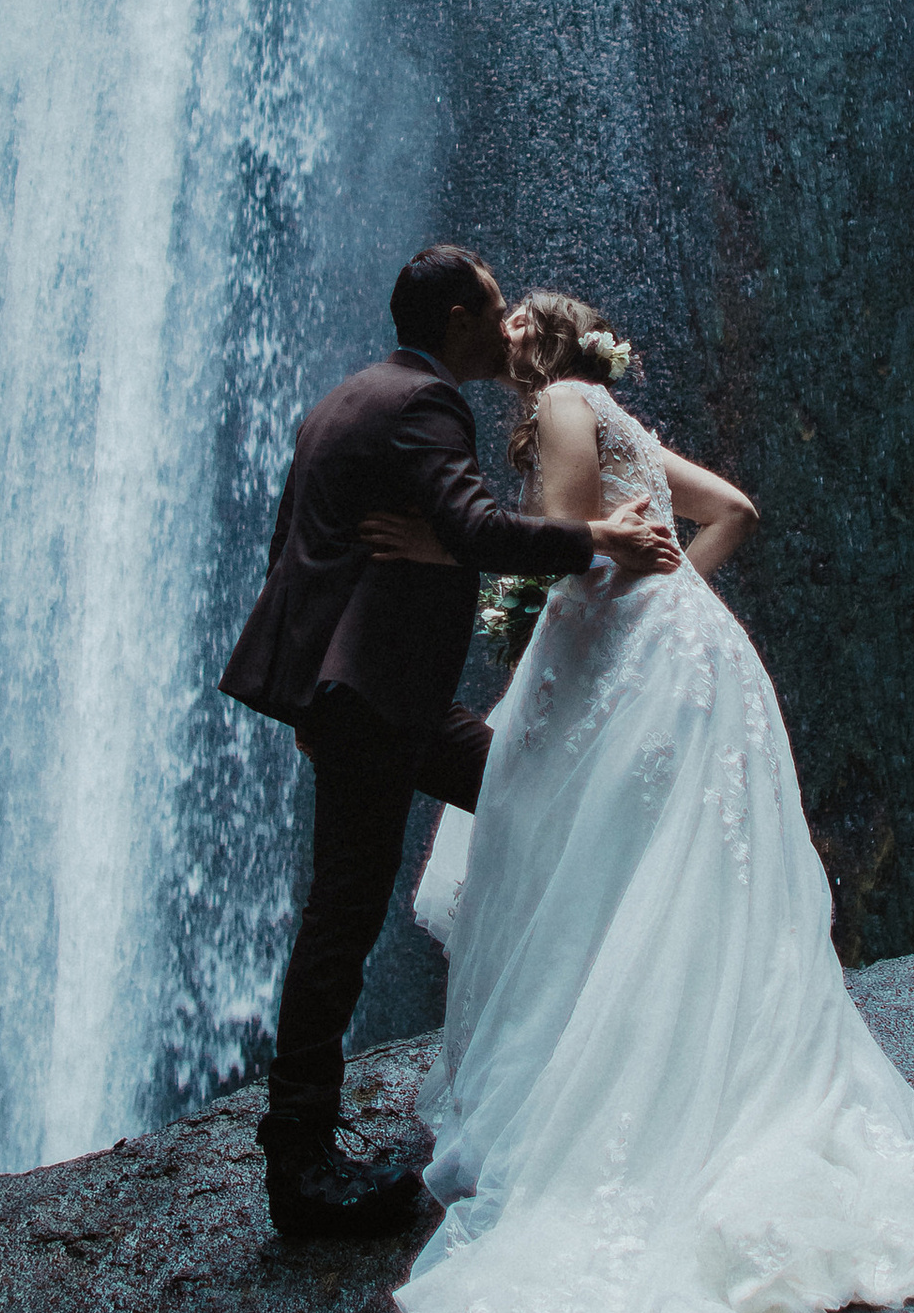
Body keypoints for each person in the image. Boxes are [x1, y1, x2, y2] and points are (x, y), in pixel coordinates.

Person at [393, 289, 914, 1313]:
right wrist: (673, 599)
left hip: (632, 660)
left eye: (515, 318)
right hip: (703, 660)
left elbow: (558, 544)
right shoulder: (618, 416)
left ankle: (614, 1088)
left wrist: (552, 602)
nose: (502, 325)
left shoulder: (564, 404)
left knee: (588, 867)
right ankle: (704, 1063)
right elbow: (735, 510)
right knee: (683, 875)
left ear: (544, 342)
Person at [220, 245, 681, 1239]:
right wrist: (600, 538)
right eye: (494, 302)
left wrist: (315, 690)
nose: (508, 318)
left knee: (532, 794)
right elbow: (474, 528)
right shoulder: (424, 404)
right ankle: (298, 1161)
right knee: (345, 914)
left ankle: (577, 1046)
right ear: (459, 319)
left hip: (376, 697)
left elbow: (302, 550)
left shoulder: (347, 398)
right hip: (376, 702)